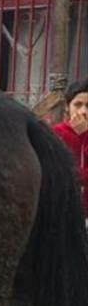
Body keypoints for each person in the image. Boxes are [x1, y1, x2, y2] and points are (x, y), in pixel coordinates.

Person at [51, 78, 87, 219]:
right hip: (63, 213)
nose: (83, 111)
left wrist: (85, 134)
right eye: (78, 105)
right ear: (67, 107)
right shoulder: (56, 134)